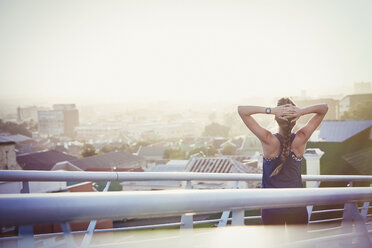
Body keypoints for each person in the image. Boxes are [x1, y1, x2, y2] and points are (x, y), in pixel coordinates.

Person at [237, 97, 328, 225]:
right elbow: (324, 108)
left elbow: (242, 110)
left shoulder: (268, 140)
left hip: (271, 210)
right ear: (295, 120)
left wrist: (272, 110)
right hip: (298, 208)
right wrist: (301, 111)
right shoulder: (301, 138)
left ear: (276, 118)